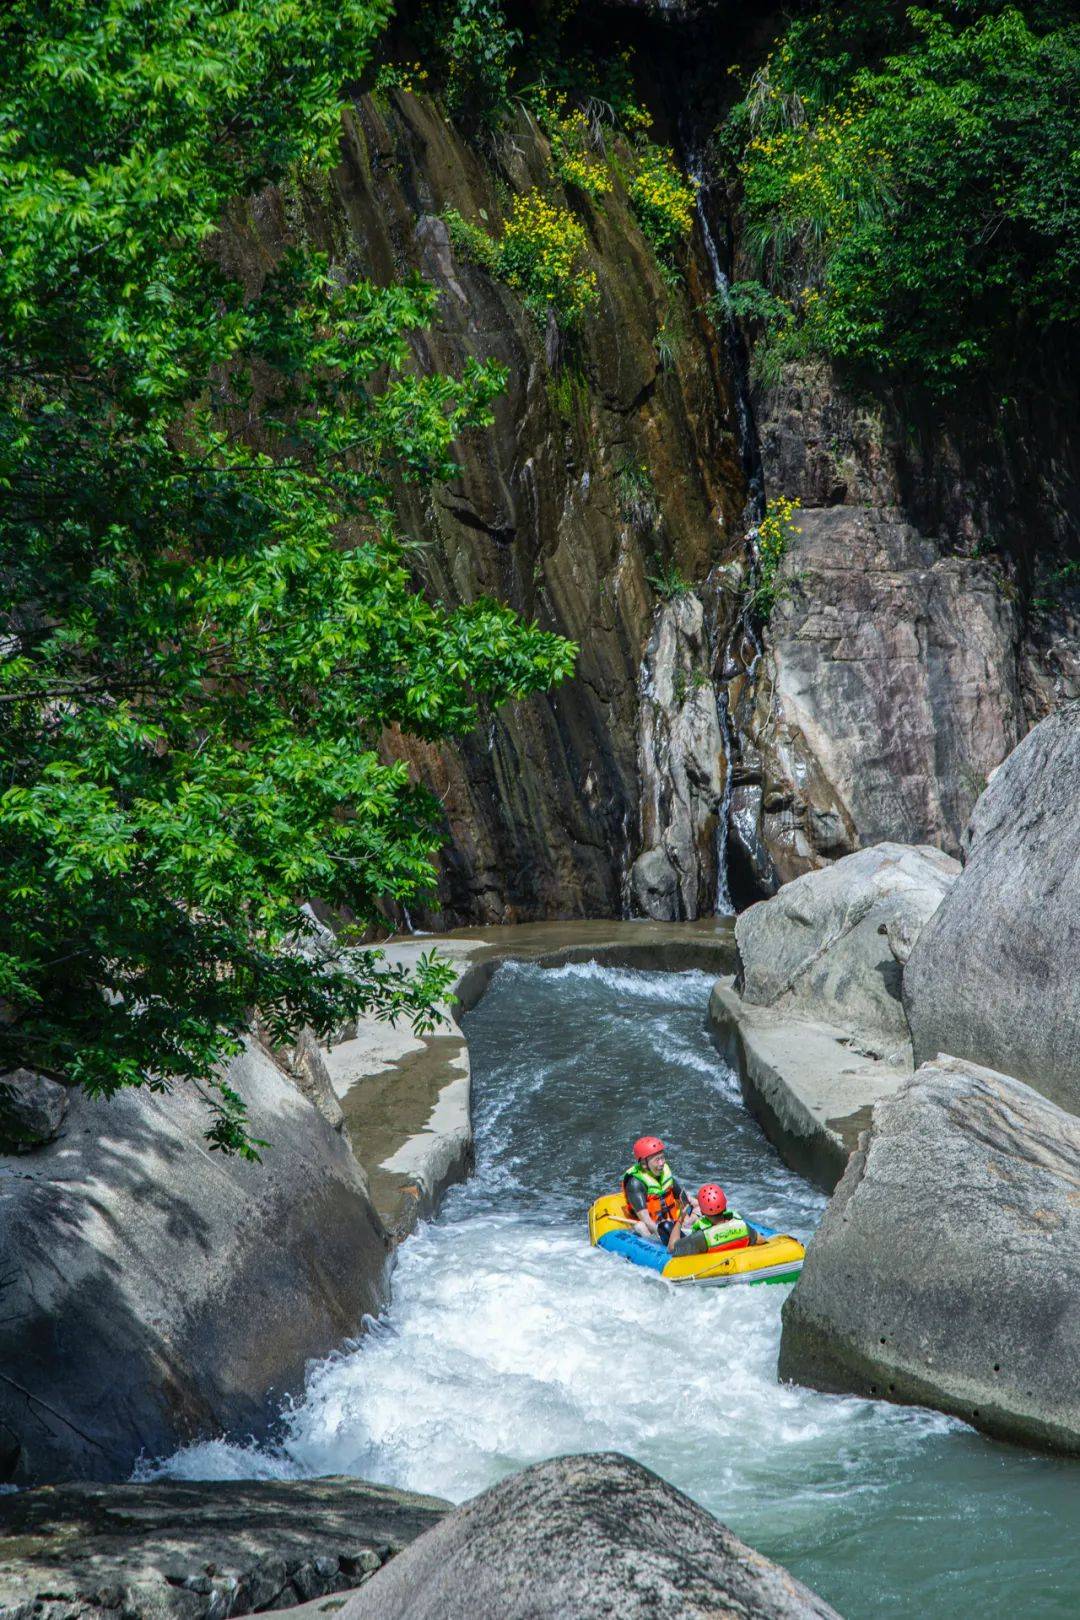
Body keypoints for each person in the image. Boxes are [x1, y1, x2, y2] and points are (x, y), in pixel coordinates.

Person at [622, 1136, 691, 1250]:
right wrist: (663, 1235)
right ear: (644, 1163)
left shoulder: (664, 1173)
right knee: (641, 1226)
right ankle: (660, 1250)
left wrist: (688, 1217)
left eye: (663, 1158)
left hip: (672, 1221)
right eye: (657, 1160)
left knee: (697, 1209)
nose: (662, 1163)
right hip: (653, 1227)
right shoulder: (635, 1183)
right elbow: (646, 1220)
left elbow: (686, 1200)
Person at [669, 1183, 760, 1257]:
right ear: (725, 1205)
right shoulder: (743, 1226)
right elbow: (762, 1242)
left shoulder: (702, 1237)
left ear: (702, 1212)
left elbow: (672, 1248)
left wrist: (680, 1219)